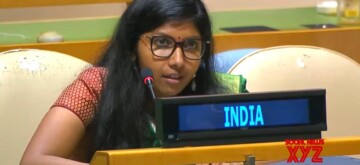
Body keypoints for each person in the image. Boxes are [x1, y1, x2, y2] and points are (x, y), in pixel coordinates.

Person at [20, 0, 227, 164]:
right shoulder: (97, 87)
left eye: (191, 45)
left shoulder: (219, 94)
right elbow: (34, 161)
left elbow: (258, 155)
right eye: (162, 42)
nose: (178, 61)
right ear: (131, 47)